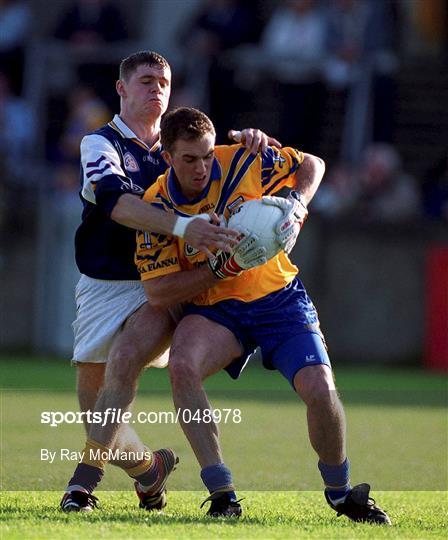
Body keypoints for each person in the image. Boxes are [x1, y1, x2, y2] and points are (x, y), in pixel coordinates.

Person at [135, 107, 391, 524]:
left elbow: (313, 164)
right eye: (188, 159)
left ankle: (341, 494)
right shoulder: (156, 207)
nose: (202, 168)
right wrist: (218, 270)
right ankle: (221, 493)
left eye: (205, 155)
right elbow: (157, 291)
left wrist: (296, 202)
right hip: (216, 307)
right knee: (181, 366)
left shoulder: (241, 157)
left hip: (278, 298)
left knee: (322, 391)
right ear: (167, 156)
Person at [60, 50, 283, 513]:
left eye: (163, 82)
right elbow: (117, 206)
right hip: (105, 284)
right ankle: (149, 471)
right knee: (96, 416)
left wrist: (258, 141)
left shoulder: (185, 145)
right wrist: (183, 227)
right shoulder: (100, 144)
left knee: (125, 357)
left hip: (161, 285)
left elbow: (232, 167)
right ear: (121, 89)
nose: (155, 89)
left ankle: (82, 485)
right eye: (145, 81)